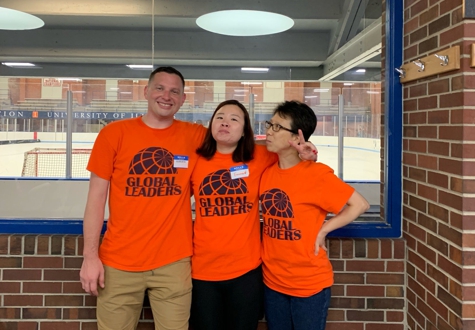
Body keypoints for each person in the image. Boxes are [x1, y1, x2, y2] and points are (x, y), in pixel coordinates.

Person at [79, 66, 207, 330]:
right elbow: (95, 201)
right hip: (118, 263)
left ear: (183, 99)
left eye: (174, 91)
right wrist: (90, 257)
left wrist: (294, 150)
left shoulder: (196, 136)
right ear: (146, 91)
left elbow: (240, 145)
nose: (166, 96)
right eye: (159, 88)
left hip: (174, 263)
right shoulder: (114, 134)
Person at [190, 99, 317, 330]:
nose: (225, 122)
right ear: (211, 125)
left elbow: (293, 156)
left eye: (234, 119)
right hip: (202, 271)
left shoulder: (259, 156)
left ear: (244, 131)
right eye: (219, 117)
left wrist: (308, 156)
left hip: (246, 271)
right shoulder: (195, 160)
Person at [260, 100, 370, 330]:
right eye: (270, 124)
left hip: (308, 284)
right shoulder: (267, 172)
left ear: (297, 137)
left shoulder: (316, 174)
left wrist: (325, 229)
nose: (269, 131)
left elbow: (359, 204)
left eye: (277, 127)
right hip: (273, 283)